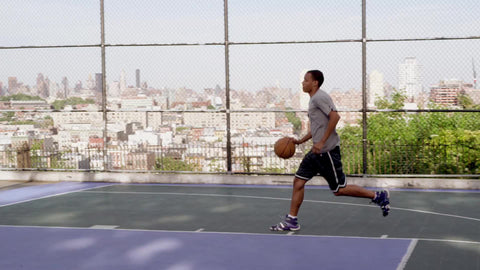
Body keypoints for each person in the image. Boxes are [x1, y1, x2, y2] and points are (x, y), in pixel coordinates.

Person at [270, 70, 390, 232]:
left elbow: (335, 117)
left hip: (327, 152)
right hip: (316, 153)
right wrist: (300, 141)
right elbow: (317, 128)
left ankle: (378, 196)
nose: (303, 83)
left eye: (306, 80)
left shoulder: (320, 97)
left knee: (339, 189)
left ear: (315, 83)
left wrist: (322, 142)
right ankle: (292, 220)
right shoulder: (313, 100)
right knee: (298, 181)